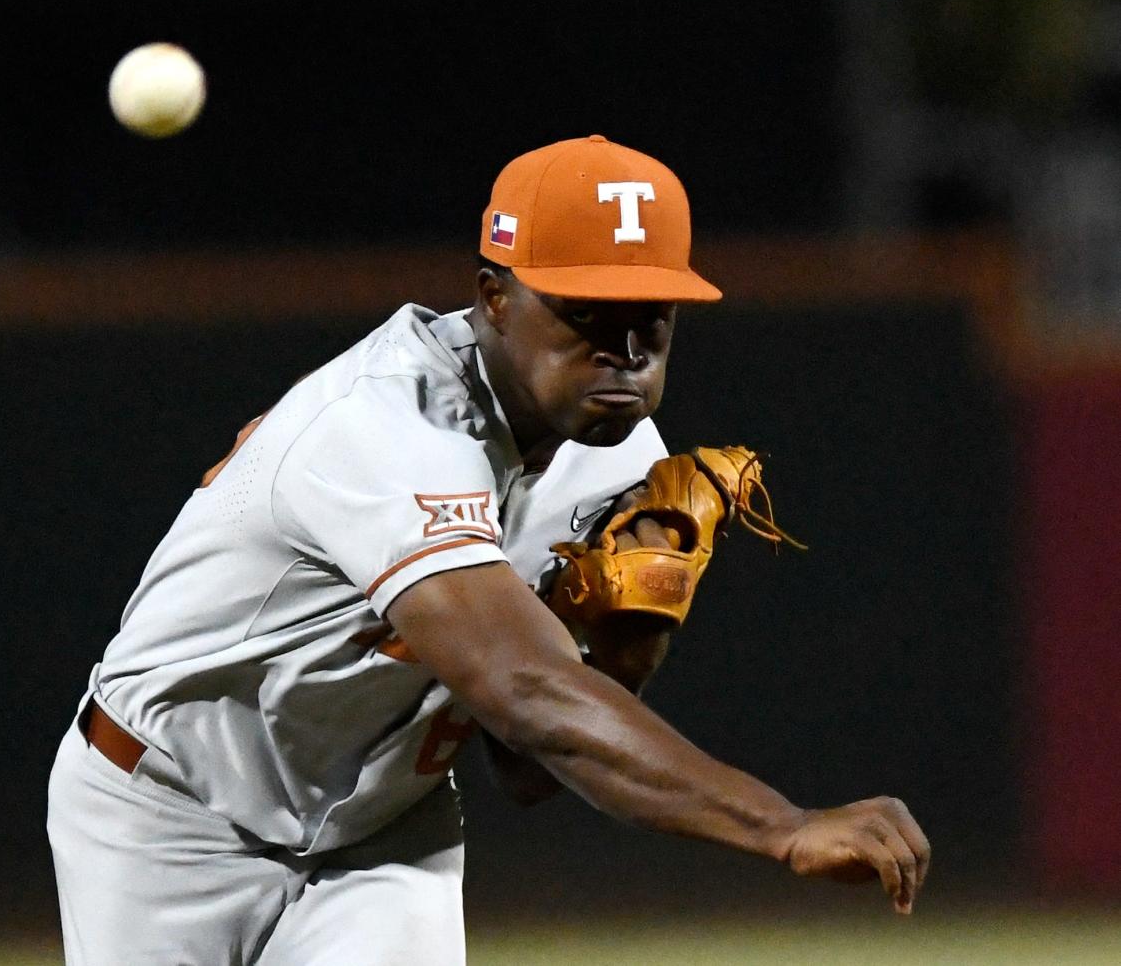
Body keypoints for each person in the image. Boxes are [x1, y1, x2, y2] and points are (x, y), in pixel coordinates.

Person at [47, 135, 929, 965]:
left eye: (650, 320)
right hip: (164, 815)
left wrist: (625, 639)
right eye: (587, 315)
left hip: (379, 836)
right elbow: (525, 695)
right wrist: (781, 824)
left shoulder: (622, 455)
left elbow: (527, 768)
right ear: (495, 298)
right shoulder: (385, 425)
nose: (623, 355)